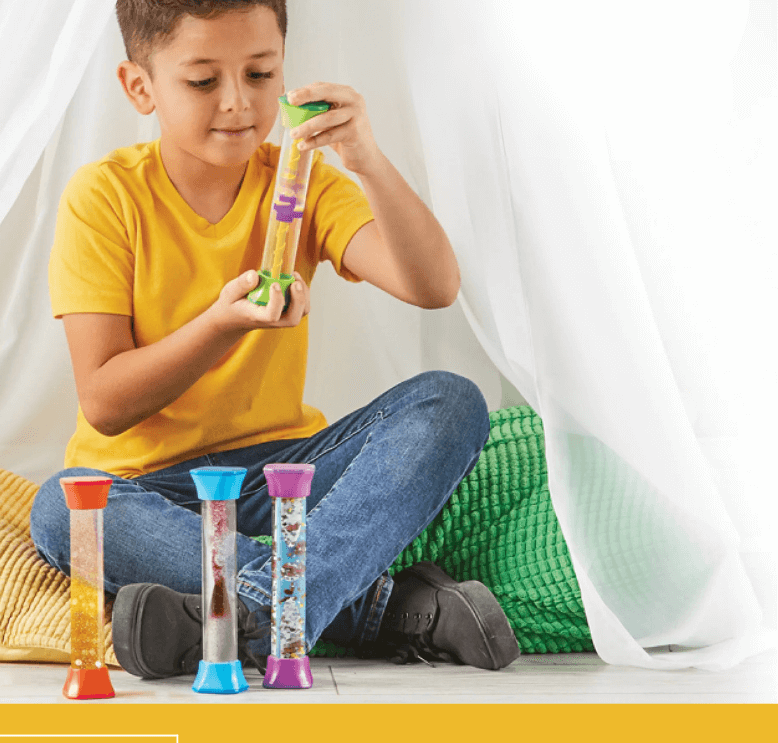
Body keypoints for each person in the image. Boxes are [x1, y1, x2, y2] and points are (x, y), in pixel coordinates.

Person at [30, 0, 520, 679]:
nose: (237, 103)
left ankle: (245, 610)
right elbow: (106, 402)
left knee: (451, 401)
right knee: (62, 509)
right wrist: (220, 326)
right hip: (152, 486)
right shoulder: (104, 198)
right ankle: (380, 609)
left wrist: (367, 160)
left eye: (260, 74)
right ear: (140, 87)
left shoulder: (301, 181)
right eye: (203, 81)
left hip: (285, 477)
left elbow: (433, 284)